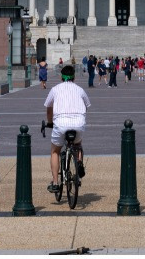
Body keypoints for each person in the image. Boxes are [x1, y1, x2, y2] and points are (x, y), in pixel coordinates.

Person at [44, 64, 91, 195]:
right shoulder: (80, 90)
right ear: (74, 77)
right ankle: (79, 163)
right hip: (78, 123)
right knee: (78, 144)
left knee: (55, 152)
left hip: (60, 123)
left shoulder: (55, 89)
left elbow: (48, 107)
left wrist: (50, 122)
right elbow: (87, 106)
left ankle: (55, 182)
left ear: (61, 77)